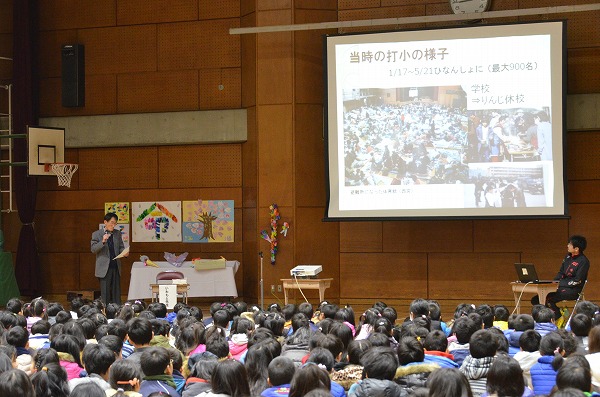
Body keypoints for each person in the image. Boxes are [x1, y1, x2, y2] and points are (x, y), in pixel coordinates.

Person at [533, 236, 589, 319]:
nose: (567, 246)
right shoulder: (568, 257)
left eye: (570, 244)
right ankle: (552, 316)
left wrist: (560, 284)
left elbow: (577, 280)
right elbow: (561, 273)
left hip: (574, 290)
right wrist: (554, 282)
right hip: (560, 286)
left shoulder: (583, 261)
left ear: (576, 248)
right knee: (536, 300)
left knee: (547, 299)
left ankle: (557, 316)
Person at [91, 212, 128, 305]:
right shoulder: (97, 234)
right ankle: (105, 313)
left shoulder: (117, 233)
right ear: (105, 222)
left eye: (115, 223)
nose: (113, 225)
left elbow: (120, 247)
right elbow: (93, 249)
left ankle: (118, 312)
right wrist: (103, 241)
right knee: (105, 293)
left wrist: (124, 252)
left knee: (116, 293)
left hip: (115, 266)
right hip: (104, 268)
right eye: (111, 222)